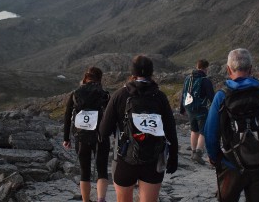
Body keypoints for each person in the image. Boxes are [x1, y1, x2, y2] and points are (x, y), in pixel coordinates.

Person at [204, 48, 259, 202]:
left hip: (230, 164)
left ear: (228, 69)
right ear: (251, 69)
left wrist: (214, 157)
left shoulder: (221, 96)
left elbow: (210, 134)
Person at [99, 55, 179, 202]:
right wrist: (173, 156)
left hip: (125, 158)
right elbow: (170, 129)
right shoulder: (160, 96)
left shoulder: (119, 95)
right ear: (151, 73)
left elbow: (103, 131)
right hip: (153, 159)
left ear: (132, 74)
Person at [63, 67, 110, 202]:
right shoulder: (105, 94)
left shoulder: (75, 94)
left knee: (85, 171)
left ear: (85, 77)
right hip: (100, 136)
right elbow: (111, 116)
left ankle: (86, 200)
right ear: (99, 79)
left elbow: (67, 117)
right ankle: (101, 199)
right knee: (102, 170)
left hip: (81, 136)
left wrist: (66, 138)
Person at [179, 59, 215, 164]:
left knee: (194, 130)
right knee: (203, 131)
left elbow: (183, 94)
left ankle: (193, 152)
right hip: (201, 109)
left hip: (189, 109)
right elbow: (211, 96)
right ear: (206, 68)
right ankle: (198, 154)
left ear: (197, 66)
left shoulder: (187, 78)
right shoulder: (205, 80)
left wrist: (182, 109)